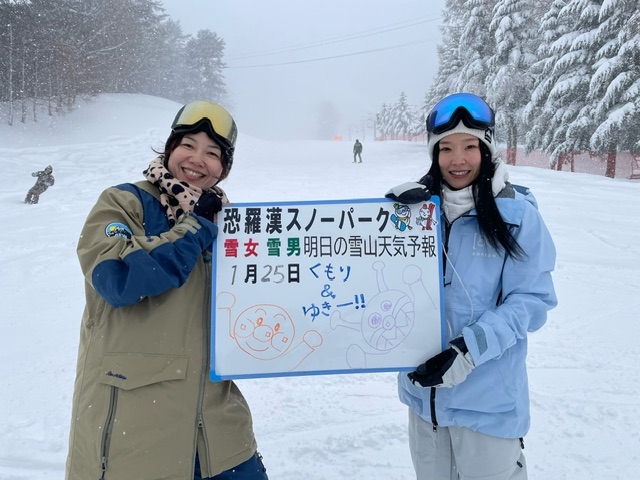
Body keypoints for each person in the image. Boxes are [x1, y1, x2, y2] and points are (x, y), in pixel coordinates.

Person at [65, 101, 268, 480]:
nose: (197, 159)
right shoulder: (125, 203)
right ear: (170, 148)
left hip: (220, 439)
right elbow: (117, 278)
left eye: (212, 153)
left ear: (224, 168)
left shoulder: (228, 225)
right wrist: (194, 229)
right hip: (136, 436)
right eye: (188, 145)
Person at [385, 92, 557, 480]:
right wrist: (381, 222)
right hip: (424, 401)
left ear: (487, 149)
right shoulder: (414, 214)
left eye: (469, 147)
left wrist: (468, 349)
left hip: (488, 407)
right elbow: (385, 286)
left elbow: (531, 301)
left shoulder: (516, 216)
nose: (457, 159)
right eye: (445, 148)